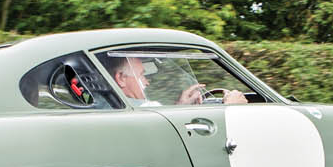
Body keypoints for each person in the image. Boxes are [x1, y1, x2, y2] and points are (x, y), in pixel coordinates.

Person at [104, 53, 246, 105]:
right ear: (121, 78)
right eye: (141, 75)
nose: (147, 82)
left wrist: (182, 105)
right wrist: (232, 106)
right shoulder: (147, 108)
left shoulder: (109, 105)